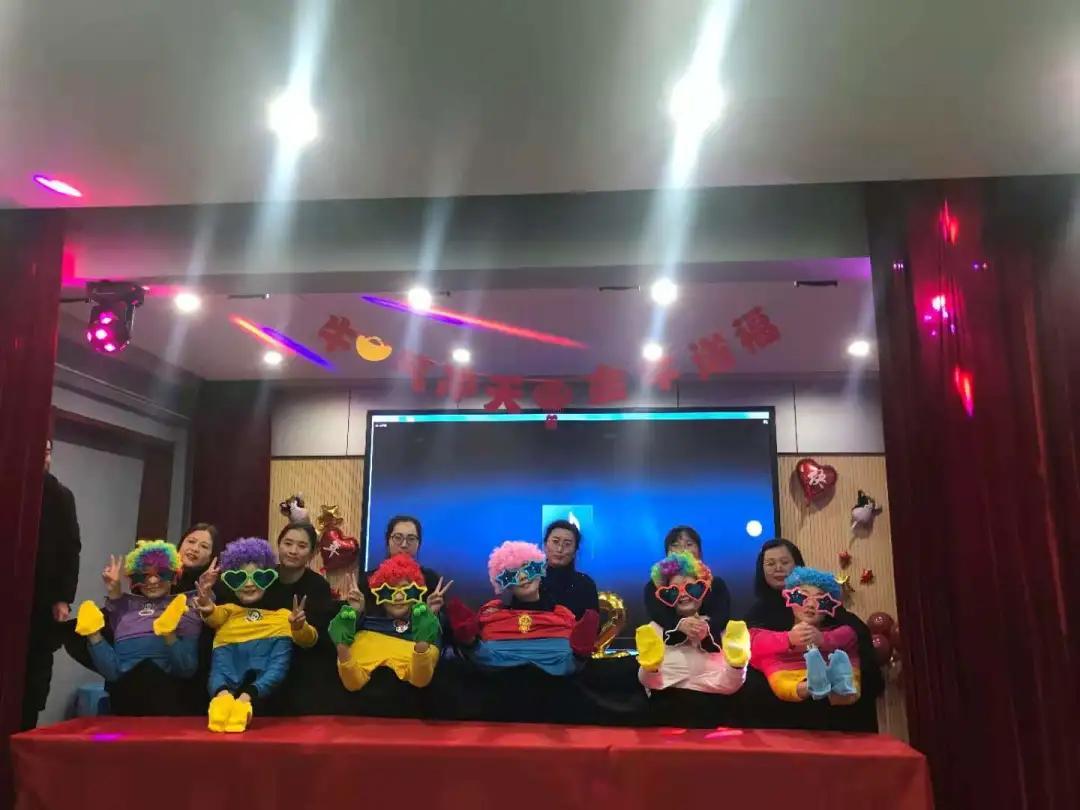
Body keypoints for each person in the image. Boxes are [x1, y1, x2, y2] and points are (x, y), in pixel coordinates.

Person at [745, 538, 883, 730]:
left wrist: (824, 640)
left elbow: (853, 635)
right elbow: (752, 644)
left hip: (829, 700)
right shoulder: (757, 614)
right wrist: (788, 640)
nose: (778, 568)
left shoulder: (831, 610)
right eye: (770, 563)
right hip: (780, 693)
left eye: (784, 562)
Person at [194, 537, 317, 732]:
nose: (249, 584)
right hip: (228, 666)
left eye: (259, 577)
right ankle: (223, 702)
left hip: (269, 701)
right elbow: (213, 616)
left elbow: (309, 639)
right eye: (239, 578)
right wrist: (207, 606)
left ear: (269, 578)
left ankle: (239, 706)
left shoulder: (283, 616)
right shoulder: (229, 611)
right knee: (219, 677)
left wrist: (299, 626)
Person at [72, 541, 201, 714]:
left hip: (166, 690)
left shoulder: (185, 606)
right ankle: (93, 633)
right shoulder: (125, 608)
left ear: (174, 576)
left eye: (162, 574)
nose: (153, 580)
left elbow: (187, 669)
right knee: (112, 669)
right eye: (143, 576)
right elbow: (112, 673)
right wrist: (93, 634)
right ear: (135, 580)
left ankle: (167, 629)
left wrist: (170, 635)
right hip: (125, 688)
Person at [447, 541, 598, 675]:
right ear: (506, 585)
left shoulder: (562, 615)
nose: (523, 577)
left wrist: (579, 653)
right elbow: (482, 656)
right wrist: (469, 641)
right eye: (513, 574)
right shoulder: (493, 615)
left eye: (528, 569)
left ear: (540, 572)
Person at [23, 438, 81, 730]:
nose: (44, 458)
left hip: (43, 599)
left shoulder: (61, 496)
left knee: (32, 681)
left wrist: (63, 598)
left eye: (47, 452)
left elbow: (71, 549)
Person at [636, 551, 749, 696]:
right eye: (674, 591)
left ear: (704, 589)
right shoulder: (655, 629)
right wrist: (650, 668)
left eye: (691, 588)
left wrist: (737, 666)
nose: (683, 594)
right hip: (669, 701)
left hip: (714, 701)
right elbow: (649, 683)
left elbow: (731, 685)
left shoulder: (723, 629)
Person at [328, 553, 442, 692]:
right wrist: (342, 646)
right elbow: (353, 683)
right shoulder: (363, 628)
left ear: (416, 593)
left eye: (406, 590)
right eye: (389, 590)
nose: (398, 597)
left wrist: (422, 645)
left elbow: (420, 680)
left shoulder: (427, 626)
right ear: (379, 594)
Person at [749, 566, 860, 705]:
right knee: (780, 680)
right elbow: (754, 642)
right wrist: (788, 639)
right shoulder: (769, 630)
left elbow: (849, 636)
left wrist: (823, 640)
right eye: (802, 597)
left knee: (847, 673)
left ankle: (836, 686)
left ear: (829, 608)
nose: (811, 604)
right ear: (789, 599)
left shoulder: (842, 631)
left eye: (821, 600)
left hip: (833, 668)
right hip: (787, 670)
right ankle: (813, 685)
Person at [642, 526, 732, 640]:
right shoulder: (655, 587)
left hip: (709, 642)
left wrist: (704, 628)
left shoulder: (716, 584)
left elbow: (722, 616)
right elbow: (658, 615)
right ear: (667, 553)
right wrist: (680, 624)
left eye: (689, 544)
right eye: (675, 545)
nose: (683, 550)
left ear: (699, 551)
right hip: (672, 643)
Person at [359, 515, 447, 617]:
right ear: (388, 541)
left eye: (411, 539)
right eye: (398, 537)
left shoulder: (431, 580)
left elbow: (445, 626)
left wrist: (432, 614)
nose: (404, 544)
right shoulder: (368, 581)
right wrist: (357, 612)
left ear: (418, 544)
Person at [540, 520, 600, 620]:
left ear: (575, 551)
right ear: (545, 545)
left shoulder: (586, 584)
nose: (559, 549)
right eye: (555, 542)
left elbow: (591, 625)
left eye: (567, 544)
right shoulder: (530, 581)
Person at [174, 523, 221, 592]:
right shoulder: (163, 575)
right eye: (191, 541)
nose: (195, 549)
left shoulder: (216, 586)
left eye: (204, 546)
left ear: (211, 557)